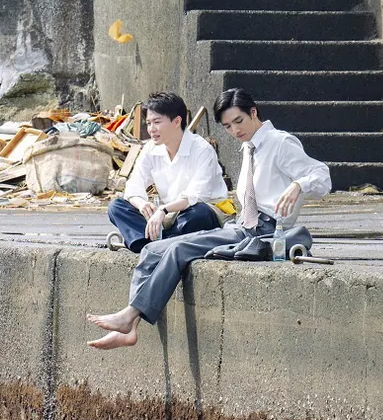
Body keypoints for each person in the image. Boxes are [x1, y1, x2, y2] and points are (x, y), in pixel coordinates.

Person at [87, 87, 332, 350]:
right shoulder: (250, 147)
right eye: (227, 126)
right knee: (152, 249)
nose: (235, 131)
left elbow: (322, 175)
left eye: (239, 121)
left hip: (269, 231)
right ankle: (129, 326)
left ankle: (128, 318)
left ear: (253, 112)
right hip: (243, 226)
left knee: (179, 248)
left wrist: (298, 185)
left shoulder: (279, 143)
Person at [106, 91, 228, 254]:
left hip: (193, 212)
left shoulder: (202, 149)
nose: (151, 129)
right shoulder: (150, 148)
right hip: (167, 218)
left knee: (199, 214)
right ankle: (164, 243)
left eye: (157, 122)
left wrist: (163, 211)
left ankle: (150, 244)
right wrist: (143, 205)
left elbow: (196, 196)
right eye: (148, 123)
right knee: (116, 207)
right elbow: (134, 186)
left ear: (177, 121)